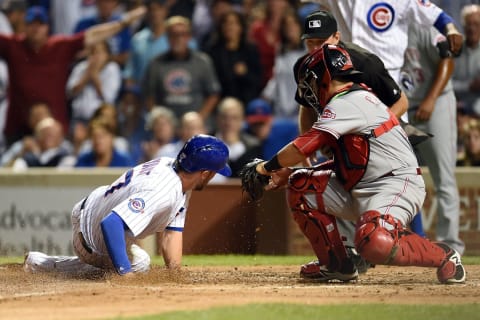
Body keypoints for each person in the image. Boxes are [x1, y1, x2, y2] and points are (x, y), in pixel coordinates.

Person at [250, 44, 466, 284]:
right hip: (361, 183)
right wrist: (290, 172)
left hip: (394, 184)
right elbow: (349, 162)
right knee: (300, 184)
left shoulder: (350, 100)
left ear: (325, 76)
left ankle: (444, 255)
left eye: (311, 80)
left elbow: (305, 145)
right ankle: (336, 265)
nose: (309, 88)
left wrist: (265, 167)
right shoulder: (346, 100)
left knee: (373, 240)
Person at [24, 134, 232, 275]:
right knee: (139, 264)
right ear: (204, 173)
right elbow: (111, 224)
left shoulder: (175, 170)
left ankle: (39, 262)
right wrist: (125, 275)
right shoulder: (164, 190)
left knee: (130, 257)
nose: (214, 176)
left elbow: (172, 233)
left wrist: (174, 276)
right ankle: (46, 266)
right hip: (90, 234)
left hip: (93, 206)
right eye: (213, 173)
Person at [0, 4, 146, 146]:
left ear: (47, 27)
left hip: (56, 130)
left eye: (40, 24)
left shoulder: (59, 46)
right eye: (32, 24)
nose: (36, 29)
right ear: (24, 26)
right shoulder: (14, 46)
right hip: (19, 128)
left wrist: (122, 22)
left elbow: (91, 35)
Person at [302, 0, 464, 94]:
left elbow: (435, 15)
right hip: (348, 76)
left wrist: (451, 29)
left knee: (391, 139)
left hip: (388, 76)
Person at [400, 26, 465, 254]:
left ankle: (452, 247)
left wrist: (431, 99)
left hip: (436, 104)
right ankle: (410, 239)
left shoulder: (424, 25)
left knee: (444, 179)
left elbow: (447, 60)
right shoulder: (383, 24)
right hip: (404, 108)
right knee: (401, 176)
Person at [142, 15, 221, 124]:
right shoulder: (156, 64)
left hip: (196, 124)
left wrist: (198, 119)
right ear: (167, 37)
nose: (178, 38)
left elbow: (213, 94)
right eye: (173, 35)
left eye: (183, 34)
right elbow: (149, 96)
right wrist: (159, 121)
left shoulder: (202, 61)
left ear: (189, 37)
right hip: (166, 127)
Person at [123, 0, 198, 87]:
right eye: (151, 9)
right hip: (143, 92)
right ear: (146, 12)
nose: (155, 13)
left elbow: (194, 69)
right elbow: (130, 73)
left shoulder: (181, 39)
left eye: (159, 8)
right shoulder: (137, 40)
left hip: (176, 90)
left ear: (166, 10)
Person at [205, 10, 262, 106]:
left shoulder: (250, 50)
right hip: (221, 103)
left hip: (247, 101)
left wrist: (245, 73)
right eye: (226, 23)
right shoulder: (213, 51)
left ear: (241, 27)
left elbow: (258, 80)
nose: (229, 27)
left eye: (233, 23)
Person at [66, 40, 122, 127]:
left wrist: (95, 76)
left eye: (99, 52)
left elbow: (108, 99)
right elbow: (70, 93)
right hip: (79, 118)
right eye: (92, 52)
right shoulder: (81, 68)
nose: (96, 56)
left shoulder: (112, 69)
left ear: (107, 55)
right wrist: (87, 75)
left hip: (101, 119)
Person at [73, 0, 132, 66]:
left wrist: (102, 58)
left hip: (115, 71)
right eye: (102, 1)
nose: (105, 5)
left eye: (109, 1)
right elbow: (74, 53)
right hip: (86, 67)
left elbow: (125, 57)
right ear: (96, 2)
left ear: (116, 4)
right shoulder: (83, 24)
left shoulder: (122, 25)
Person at [452, 5, 480, 115]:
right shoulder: (454, 51)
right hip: (456, 110)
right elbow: (447, 84)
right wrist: (468, 86)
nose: (472, 29)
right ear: (463, 26)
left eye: (476, 24)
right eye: (469, 24)